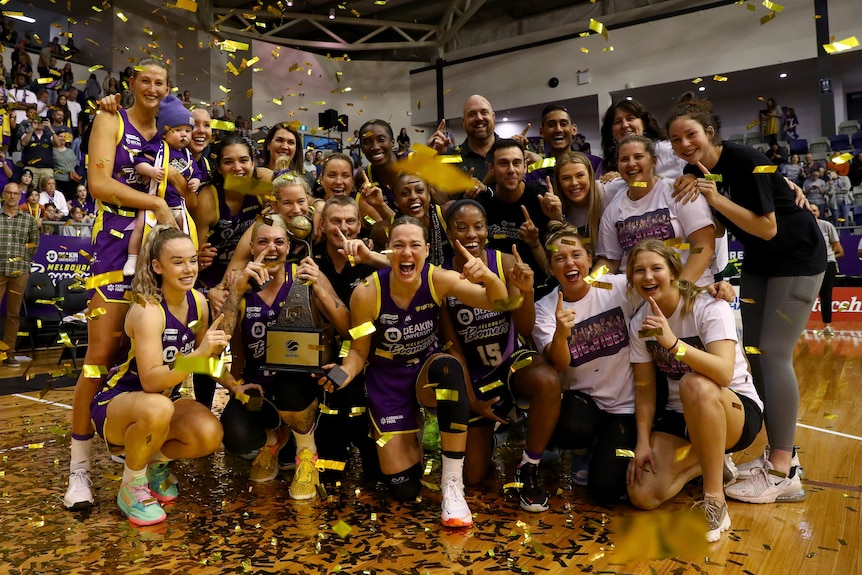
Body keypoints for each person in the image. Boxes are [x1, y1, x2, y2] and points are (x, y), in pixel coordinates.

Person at [667, 94, 825, 504]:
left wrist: (714, 197)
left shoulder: (746, 159)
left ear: (710, 133)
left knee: (773, 353)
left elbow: (768, 228)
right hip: (758, 262)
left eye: (691, 135)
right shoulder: (693, 169)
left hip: (797, 257)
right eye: (676, 139)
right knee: (755, 355)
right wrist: (695, 191)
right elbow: (718, 232)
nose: (685, 145)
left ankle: (782, 469)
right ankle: (779, 455)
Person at [318, 216, 509, 527]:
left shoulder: (439, 279)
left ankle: (452, 485)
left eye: (414, 245)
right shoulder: (366, 293)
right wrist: (341, 374)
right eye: (399, 246)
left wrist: (488, 276)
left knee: (449, 367)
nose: (407, 253)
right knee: (404, 490)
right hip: (387, 382)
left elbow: (500, 302)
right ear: (388, 252)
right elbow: (358, 352)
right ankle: (413, 433)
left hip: (425, 373)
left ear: (427, 250)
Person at [63, 58, 175, 512]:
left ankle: (142, 463)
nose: (152, 88)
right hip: (114, 248)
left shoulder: (171, 136)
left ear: (168, 90)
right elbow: (98, 183)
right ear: (131, 84)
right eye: (144, 80)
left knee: (155, 354)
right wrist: (154, 201)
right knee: (98, 357)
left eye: (160, 83)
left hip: (159, 250)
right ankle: (79, 471)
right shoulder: (110, 117)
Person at [625, 239, 764, 543]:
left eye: (656, 268)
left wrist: (674, 344)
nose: (648, 277)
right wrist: (642, 441)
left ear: (673, 271)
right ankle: (712, 462)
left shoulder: (708, 306)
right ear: (631, 279)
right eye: (639, 271)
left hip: (734, 409)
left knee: (694, 383)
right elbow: (645, 389)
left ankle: (715, 501)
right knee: (643, 493)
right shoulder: (639, 323)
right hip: (682, 416)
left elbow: (724, 373)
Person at [89, 226, 226, 525]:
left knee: (209, 434)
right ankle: (131, 486)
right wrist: (200, 353)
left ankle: (154, 465)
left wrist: (236, 386)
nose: (188, 268)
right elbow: (150, 381)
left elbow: (203, 363)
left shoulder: (198, 303)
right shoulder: (148, 311)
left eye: (192, 260)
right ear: (157, 266)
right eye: (178, 261)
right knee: (159, 405)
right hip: (118, 404)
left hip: (163, 403)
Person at [442, 199, 561, 512]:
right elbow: (453, 347)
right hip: (475, 373)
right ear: (448, 231)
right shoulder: (440, 277)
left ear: (486, 230)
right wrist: (473, 401)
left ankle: (528, 468)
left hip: (511, 360)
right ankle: (492, 429)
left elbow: (524, 327)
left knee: (548, 380)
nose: (471, 234)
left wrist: (527, 292)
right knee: (474, 476)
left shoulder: (506, 262)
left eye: (478, 226)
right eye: (462, 227)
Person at [218, 220, 350, 494]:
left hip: (302, 381)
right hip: (258, 384)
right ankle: (273, 439)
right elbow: (216, 345)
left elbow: (348, 328)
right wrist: (237, 290)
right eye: (263, 242)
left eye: (279, 241)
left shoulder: (304, 274)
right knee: (236, 435)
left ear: (289, 247)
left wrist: (320, 289)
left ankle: (306, 452)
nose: (272, 248)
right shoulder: (242, 284)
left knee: (289, 380)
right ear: (252, 247)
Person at [532, 223, 637, 503]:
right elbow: (557, 363)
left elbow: (664, 290)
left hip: (625, 407)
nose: (570, 263)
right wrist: (561, 335)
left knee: (604, 490)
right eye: (559, 258)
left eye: (576, 254)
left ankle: (615, 447)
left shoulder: (616, 286)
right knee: (567, 429)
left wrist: (715, 290)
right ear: (551, 268)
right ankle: (585, 448)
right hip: (583, 403)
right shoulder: (544, 308)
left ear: (589, 259)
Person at [190, 135, 265, 409]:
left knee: (248, 338)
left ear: (253, 163)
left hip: (246, 276)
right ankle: (202, 406)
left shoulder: (261, 188)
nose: (238, 167)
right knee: (210, 340)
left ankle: (246, 400)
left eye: (244, 160)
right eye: (228, 161)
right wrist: (199, 259)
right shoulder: (208, 198)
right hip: (209, 281)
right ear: (218, 167)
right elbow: (194, 257)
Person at [596, 135, 716, 286]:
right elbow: (609, 261)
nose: (631, 163)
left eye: (638, 156)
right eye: (624, 159)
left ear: (653, 161)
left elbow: (703, 246)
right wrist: (590, 282)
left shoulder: (679, 191)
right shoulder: (613, 210)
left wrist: (680, 289)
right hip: (641, 295)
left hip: (690, 289)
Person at [124, 95, 200, 275]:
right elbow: (138, 162)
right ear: (164, 133)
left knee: (185, 231)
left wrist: (195, 182)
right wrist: (150, 171)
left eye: (188, 131)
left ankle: (184, 259)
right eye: (178, 130)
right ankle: (132, 258)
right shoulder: (156, 148)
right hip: (153, 200)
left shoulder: (187, 156)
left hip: (177, 204)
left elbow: (196, 173)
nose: (184, 135)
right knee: (141, 225)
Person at [478, 139, 556, 289]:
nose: (511, 169)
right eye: (503, 163)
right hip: (493, 288)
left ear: (525, 167)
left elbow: (552, 270)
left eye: (517, 163)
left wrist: (535, 242)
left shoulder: (542, 201)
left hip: (538, 289)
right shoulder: (482, 202)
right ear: (491, 168)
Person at [370, 173, 451, 266]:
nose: (413, 197)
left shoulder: (446, 215)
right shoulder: (382, 231)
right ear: (396, 201)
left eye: (419, 190)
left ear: (428, 195)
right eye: (405, 193)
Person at [600, 98, 687, 180]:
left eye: (630, 118)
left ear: (644, 123)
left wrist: (692, 177)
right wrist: (619, 181)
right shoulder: (610, 162)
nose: (625, 125)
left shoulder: (667, 150)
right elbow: (640, 186)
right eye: (618, 122)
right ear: (611, 131)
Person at [0, 182, 38, 366]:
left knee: (13, 314)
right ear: (4, 195)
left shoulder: (28, 219)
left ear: (20, 196)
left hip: (19, 273)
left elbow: (33, 244)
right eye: (10, 193)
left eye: (16, 193)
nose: (13, 196)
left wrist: (23, 259)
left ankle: (8, 354)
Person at [427, 94, 498, 183]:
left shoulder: (512, 151)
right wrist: (430, 157)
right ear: (463, 122)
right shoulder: (450, 158)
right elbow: (429, 189)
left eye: (484, 112)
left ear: (493, 117)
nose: (479, 118)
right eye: (472, 114)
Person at [810, 205, 843, 337]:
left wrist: (826, 255)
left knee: (826, 296)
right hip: (810, 265)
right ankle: (799, 327)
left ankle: (827, 326)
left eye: (815, 210)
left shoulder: (827, 225)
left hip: (828, 264)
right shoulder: (803, 226)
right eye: (810, 210)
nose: (812, 212)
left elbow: (837, 246)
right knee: (805, 297)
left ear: (819, 212)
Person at [21, 114, 61, 191]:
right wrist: (32, 129)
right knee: (30, 190)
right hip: (31, 168)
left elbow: (58, 144)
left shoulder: (49, 135)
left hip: (46, 169)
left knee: (47, 191)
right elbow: (24, 143)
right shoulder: (27, 134)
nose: (39, 124)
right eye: (37, 122)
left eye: (41, 122)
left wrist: (50, 128)